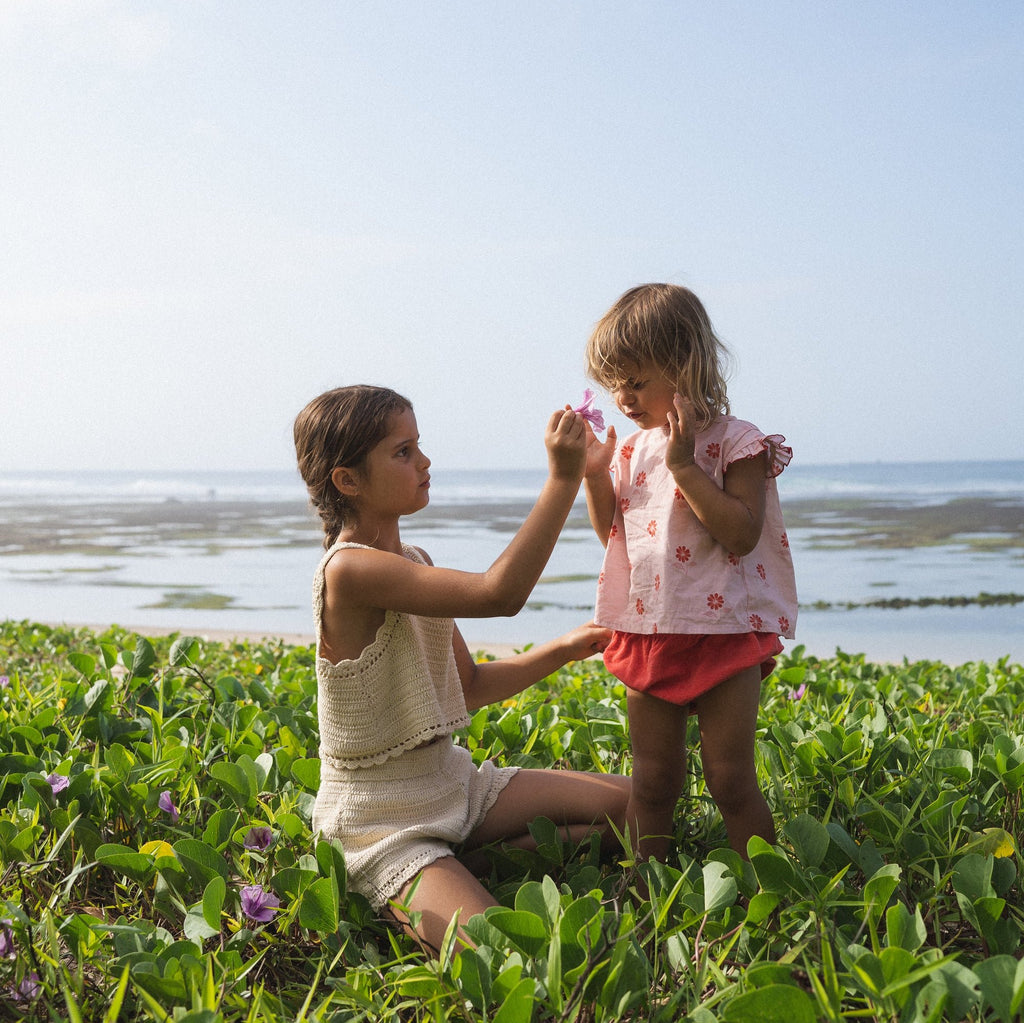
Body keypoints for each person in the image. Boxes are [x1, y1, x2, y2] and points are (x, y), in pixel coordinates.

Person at [293, 385, 630, 952]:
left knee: (636, 804)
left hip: (451, 784)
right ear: (347, 481)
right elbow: (500, 593)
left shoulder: (415, 562)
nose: (425, 462)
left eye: (418, 445)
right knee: (507, 957)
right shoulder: (348, 571)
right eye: (403, 452)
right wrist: (562, 478)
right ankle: (429, 875)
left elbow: (469, 686)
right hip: (378, 822)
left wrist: (563, 649)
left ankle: (460, 861)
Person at [582, 284, 797, 863]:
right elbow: (614, 536)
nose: (622, 398)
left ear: (685, 364)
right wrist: (593, 477)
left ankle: (766, 893)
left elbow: (740, 531)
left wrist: (682, 465)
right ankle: (647, 888)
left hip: (724, 636)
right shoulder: (629, 452)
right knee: (652, 784)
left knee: (731, 781)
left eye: (635, 381)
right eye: (614, 384)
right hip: (650, 634)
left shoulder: (737, 443)